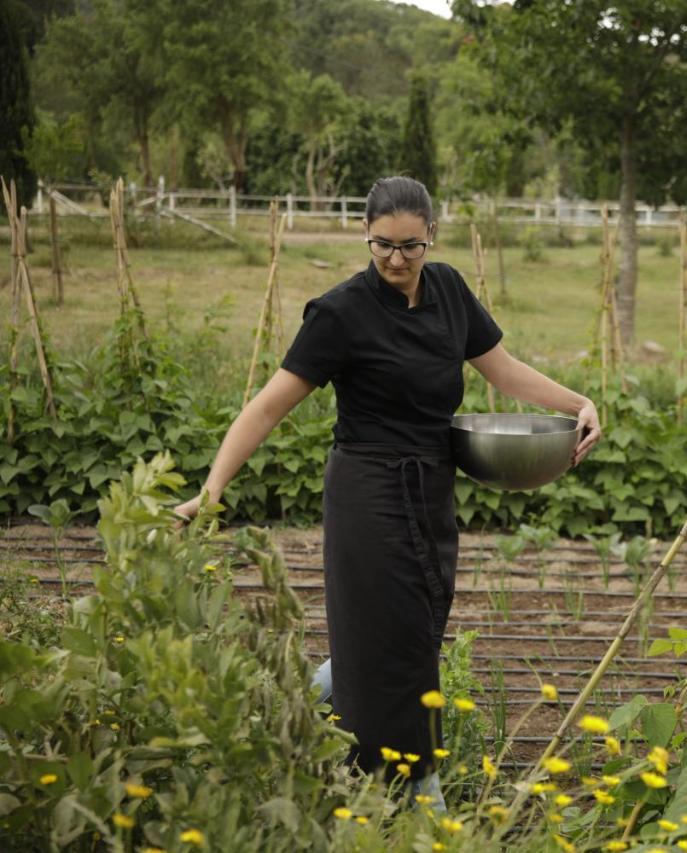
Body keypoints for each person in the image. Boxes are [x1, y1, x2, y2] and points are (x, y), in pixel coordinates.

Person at [175, 176, 601, 804]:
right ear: (366, 238)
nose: (396, 260)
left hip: (430, 487)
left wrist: (579, 402)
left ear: (432, 235)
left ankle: (269, 714)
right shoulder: (340, 313)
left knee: (410, 634)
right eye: (382, 246)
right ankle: (419, 795)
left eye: (410, 246)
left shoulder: (451, 290)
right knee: (401, 650)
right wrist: (211, 492)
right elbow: (266, 408)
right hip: (368, 492)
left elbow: (502, 369)